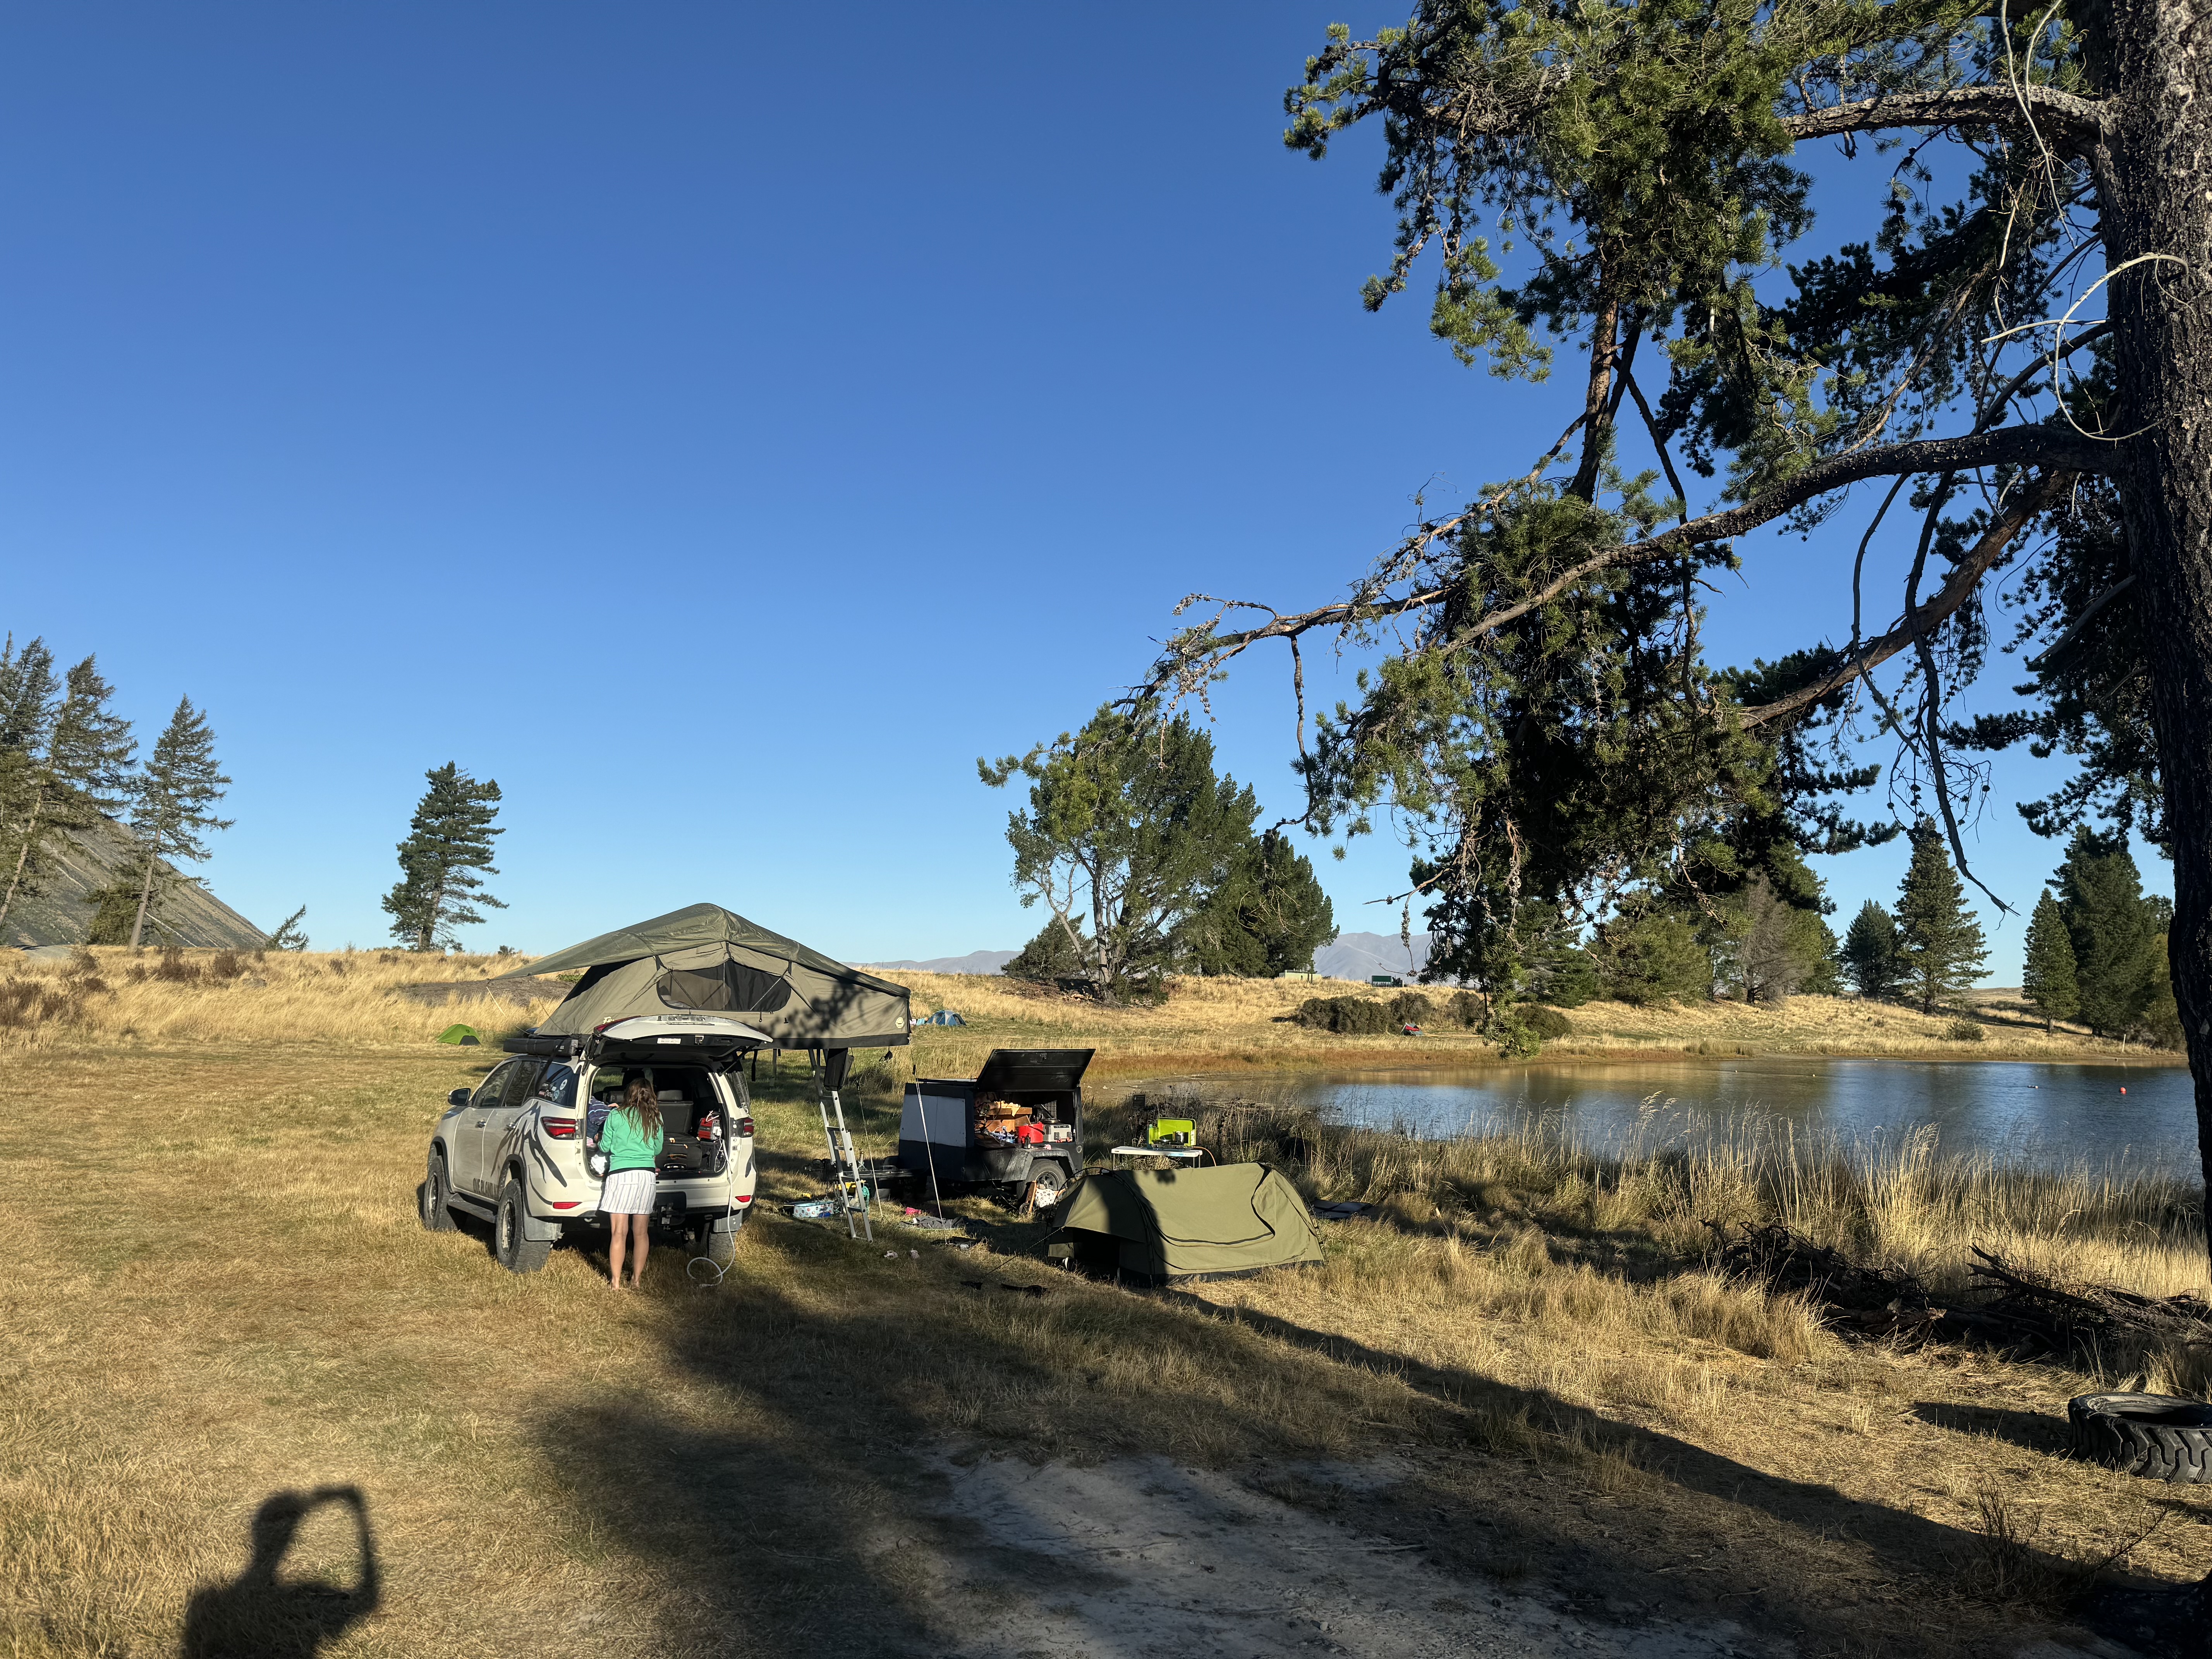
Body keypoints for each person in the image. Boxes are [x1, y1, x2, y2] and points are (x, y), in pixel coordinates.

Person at [595, 1077, 665, 1289]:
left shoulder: (615, 1115)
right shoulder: (656, 1117)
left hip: (621, 1174)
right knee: (641, 1232)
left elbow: (605, 1147)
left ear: (629, 1094)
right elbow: (658, 1149)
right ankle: (636, 1279)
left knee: (619, 1232)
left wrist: (600, 1137)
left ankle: (615, 1282)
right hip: (646, 1176)